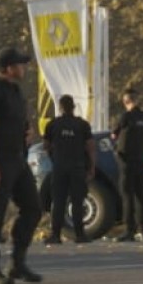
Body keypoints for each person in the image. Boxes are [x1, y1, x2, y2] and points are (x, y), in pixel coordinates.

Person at [0, 47, 44, 284]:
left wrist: (27, 132)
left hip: (17, 158)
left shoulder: (15, 91)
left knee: (33, 207)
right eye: (20, 64)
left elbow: (18, 122)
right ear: (8, 68)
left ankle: (17, 262)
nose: (24, 67)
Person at [42, 94, 95, 244]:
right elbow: (90, 146)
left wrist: (54, 155)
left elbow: (46, 146)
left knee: (58, 202)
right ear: (73, 107)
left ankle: (55, 235)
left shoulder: (52, 124)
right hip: (77, 167)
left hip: (59, 167)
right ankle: (80, 235)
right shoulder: (82, 125)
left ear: (60, 108)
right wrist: (91, 167)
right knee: (78, 201)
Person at [112, 88, 143, 241]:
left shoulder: (125, 117)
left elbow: (114, 134)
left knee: (127, 196)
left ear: (125, 102)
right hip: (141, 160)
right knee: (141, 197)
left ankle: (129, 230)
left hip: (126, 161)